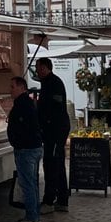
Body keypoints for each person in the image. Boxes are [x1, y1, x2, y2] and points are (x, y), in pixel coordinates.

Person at [34, 58, 72, 213]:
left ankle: (50, 200)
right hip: (52, 131)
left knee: (52, 164)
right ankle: (61, 199)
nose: (36, 71)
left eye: (38, 68)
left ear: (44, 68)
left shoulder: (54, 83)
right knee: (55, 164)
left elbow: (53, 108)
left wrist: (44, 122)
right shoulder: (48, 83)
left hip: (55, 131)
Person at [7, 76, 43, 222]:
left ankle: (32, 217)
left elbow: (22, 127)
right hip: (32, 147)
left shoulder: (22, 104)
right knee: (32, 183)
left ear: (21, 88)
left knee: (27, 184)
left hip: (26, 149)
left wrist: (17, 142)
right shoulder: (27, 103)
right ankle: (34, 214)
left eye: (13, 87)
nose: (11, 90)